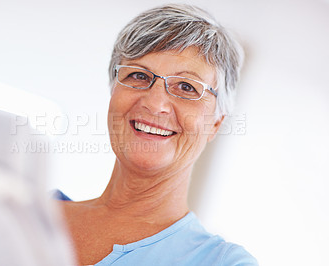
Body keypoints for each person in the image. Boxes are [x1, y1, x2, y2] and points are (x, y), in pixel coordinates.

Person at [55, 4, 258, 265]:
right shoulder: (26, 215)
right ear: (113, 92)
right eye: (139, 75)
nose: (155, 103)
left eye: (186, 86)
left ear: (215, 124)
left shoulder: (222, 262)